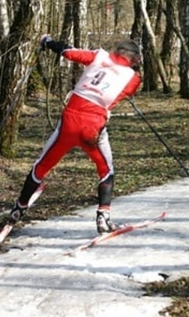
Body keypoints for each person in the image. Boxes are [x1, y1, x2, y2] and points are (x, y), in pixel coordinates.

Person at [9, 36, 143, 234]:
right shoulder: (133, 77)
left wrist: (48, 42)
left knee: (42, 165)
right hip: (93, 126)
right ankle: (103, 216)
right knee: (105, 170)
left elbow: (68, 52)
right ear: (133, 58)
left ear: (117, 50)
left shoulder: (99, 56)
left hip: (70, 120)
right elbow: (128, 92)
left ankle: (19, 208)